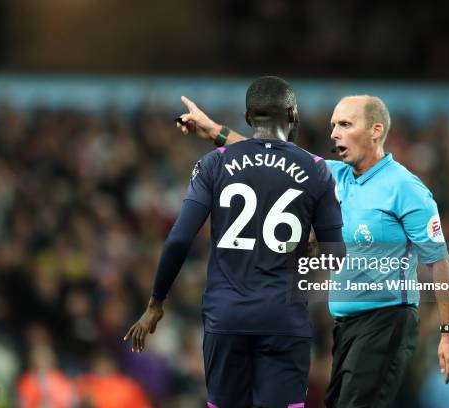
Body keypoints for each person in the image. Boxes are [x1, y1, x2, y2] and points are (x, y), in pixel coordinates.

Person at [176, 93, 449, 407]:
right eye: (332, 125)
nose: (334, 133)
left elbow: (440, 262)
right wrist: (214, 131)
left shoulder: (406, 189)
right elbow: (270, 157)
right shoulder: (334, 176)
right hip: (346, 327)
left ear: (375, 130)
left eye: (345, 124)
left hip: (388, 321)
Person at [125, 76, 345, 408]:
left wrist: (156, 304)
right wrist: (308, 250)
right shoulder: (316, 171)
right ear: (292, 116)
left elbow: (178, 240)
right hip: (284, 319)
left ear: (247, 118)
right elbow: (336, 258)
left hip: (225, 318)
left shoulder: (214, 164)